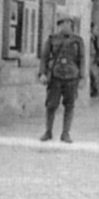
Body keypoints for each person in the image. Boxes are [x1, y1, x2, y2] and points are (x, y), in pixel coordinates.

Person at [38, 15, 85, 143]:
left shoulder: (78, 40)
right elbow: (44, 57)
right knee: (51, 105)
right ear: (59, 25)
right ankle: (48, 131)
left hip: (71, 77)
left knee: (69, 105)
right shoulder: (52, 39)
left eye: (68, 23)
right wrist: (42, 73)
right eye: (63, 23)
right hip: (55, 76)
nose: (66, 26)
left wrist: (82, 78)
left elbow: (82, 59)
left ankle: (66, 133)